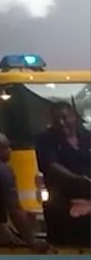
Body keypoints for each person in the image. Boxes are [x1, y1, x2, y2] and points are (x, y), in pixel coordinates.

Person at [35, 101, 91, 247]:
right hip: (60, 202)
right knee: (64, 243)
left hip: (88, 199)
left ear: (73, 116)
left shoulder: (87, 136)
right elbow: (51, 166)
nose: (61, 123)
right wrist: (76, 179)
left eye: (65, 118)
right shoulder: (45, 139)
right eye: (56, 120)